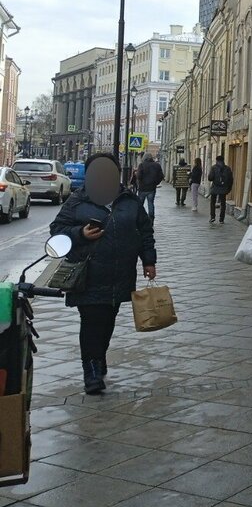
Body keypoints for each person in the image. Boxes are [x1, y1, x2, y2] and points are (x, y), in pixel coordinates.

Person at [50, 152, 156, 394]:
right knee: (91, 322)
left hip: (120, 273)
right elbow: (57, 229)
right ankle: (92, 371)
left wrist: (149, 261)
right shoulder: (78, 200)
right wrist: (80, 234)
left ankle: (98, 357)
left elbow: (145, 231)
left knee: (108, 321)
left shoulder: (129, 200)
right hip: (88, 274)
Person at [135, 154, 164, 219]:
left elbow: (139, 176)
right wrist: (156, 183)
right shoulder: (157, 165)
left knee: (140, 204)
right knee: (151, 203)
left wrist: (140, 181)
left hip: (142, 188)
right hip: (152, 188)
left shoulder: (141, 165)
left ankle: (140, 216)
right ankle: (151, 217)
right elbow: (161, 176)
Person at [208, 155, 233, 224]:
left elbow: (210, 178)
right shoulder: (227, 168)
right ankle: (221, 219)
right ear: (223, 160)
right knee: (223, 203)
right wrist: (229, 188)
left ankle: (212, 217)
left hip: (215, 188)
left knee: (212, 202)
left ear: (216, 160)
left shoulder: (213, 168)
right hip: (224, 188)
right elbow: (231, 179)